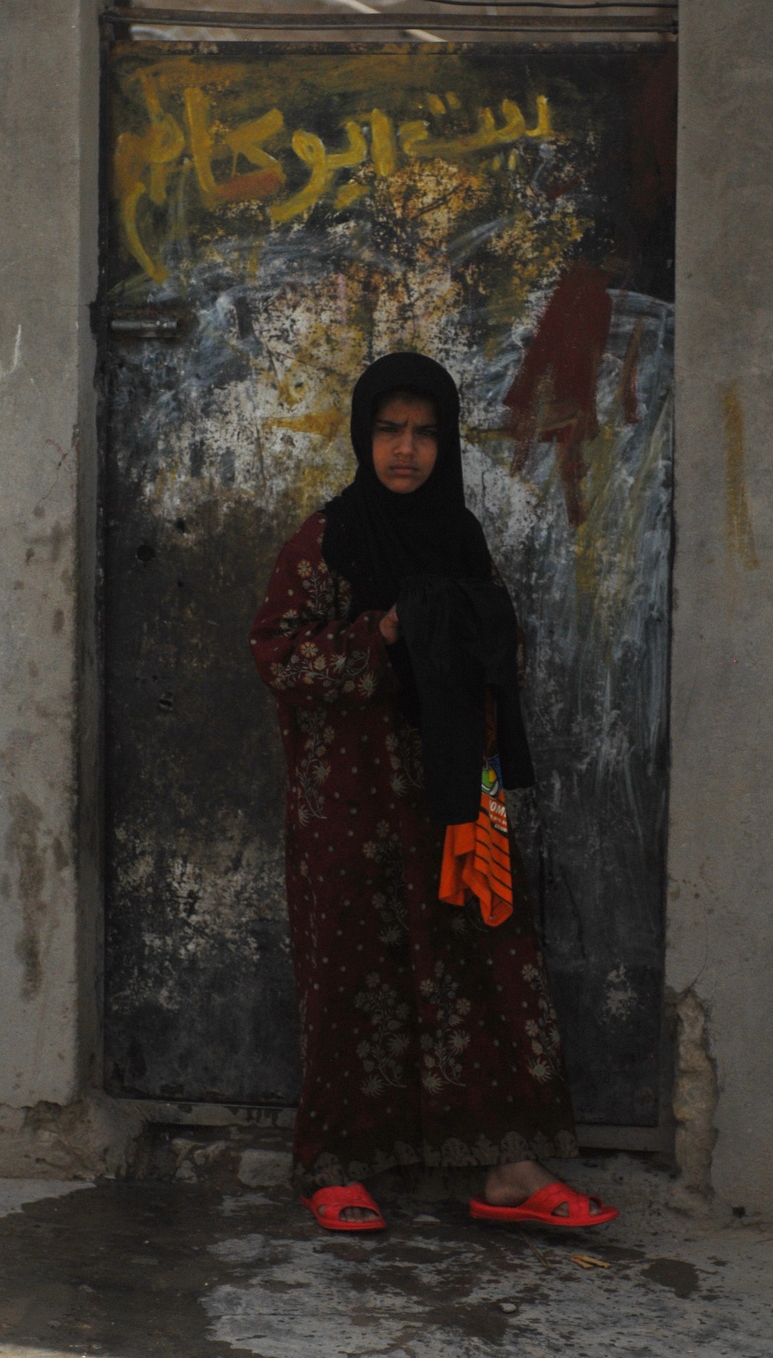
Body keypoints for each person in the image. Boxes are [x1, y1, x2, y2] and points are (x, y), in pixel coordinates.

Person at [249, 353, 617, 1232]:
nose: (406, 450)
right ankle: (336, 1168)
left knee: (484, 966)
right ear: (363, 436)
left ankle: (508, 1171)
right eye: (389, 430)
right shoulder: (328, 540)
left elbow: (500, 646)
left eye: (424, 433)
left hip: (455, 796)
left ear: (443, 442)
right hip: (353, 802)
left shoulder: (459, 538)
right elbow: (278, 653)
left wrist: (476, 636)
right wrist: (380, 633)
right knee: (354, 971)